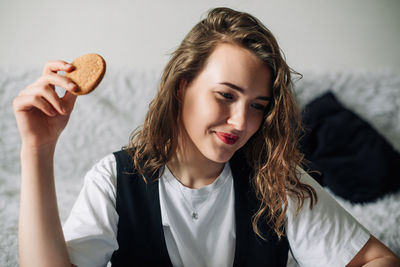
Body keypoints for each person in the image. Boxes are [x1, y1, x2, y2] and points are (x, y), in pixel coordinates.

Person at [14, 7, 400, 267]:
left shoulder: (278, 183)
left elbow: (377, 259)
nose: (239, 121)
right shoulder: (114, 180)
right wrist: (38, 148)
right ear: (183, 87)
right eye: (226, 95)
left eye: (257, 105)